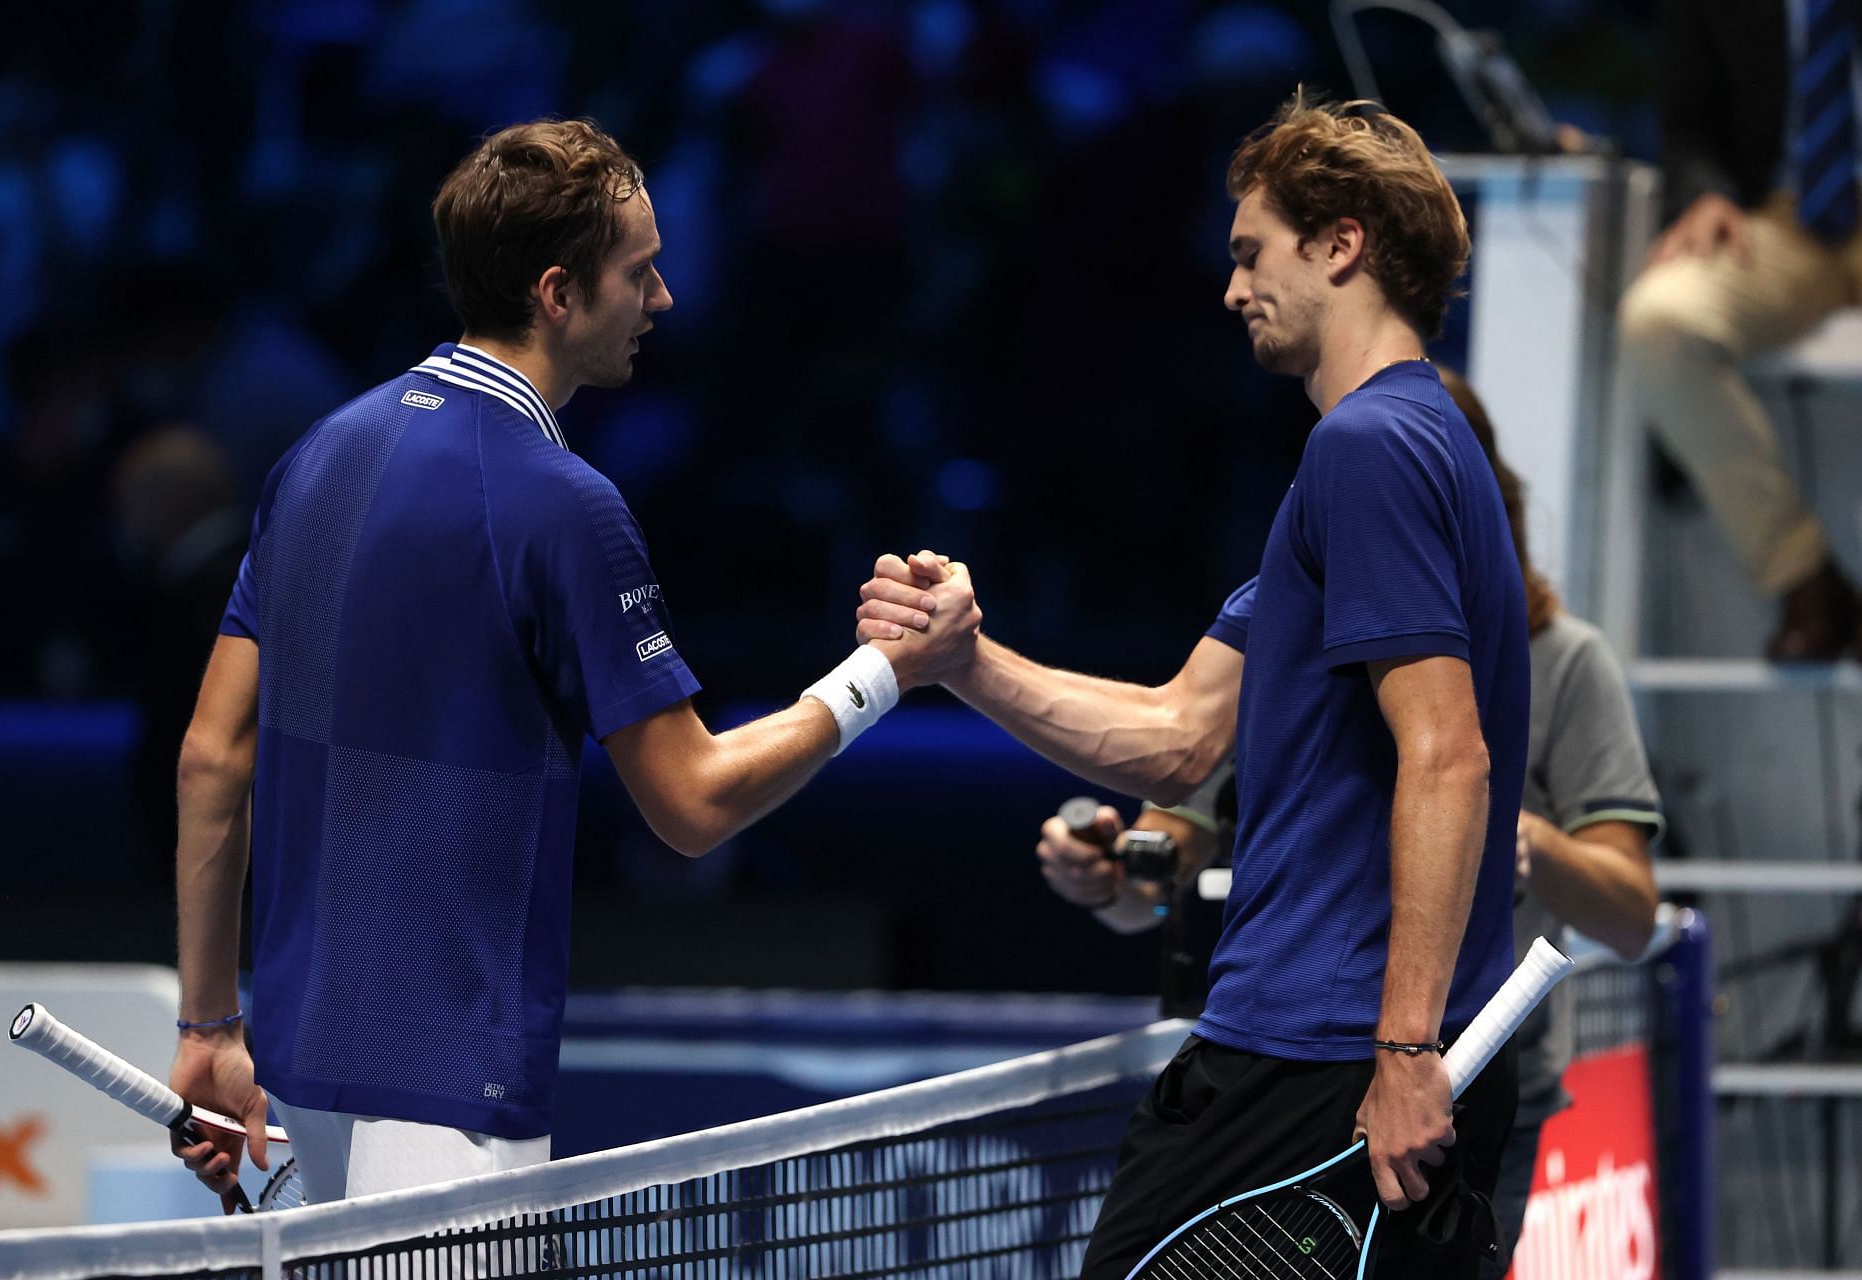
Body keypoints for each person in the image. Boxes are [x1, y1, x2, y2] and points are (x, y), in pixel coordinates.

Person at [167, 118, 980, 1209]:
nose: (664, 299)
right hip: (451, 1088)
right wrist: (885, 671)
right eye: (638, 272)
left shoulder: (317, 456)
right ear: (558, 292)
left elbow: (212, 758)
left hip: (296, 1062)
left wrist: (210, 1023)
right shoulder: (565, 507)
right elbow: (692, 802)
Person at [859, 93, 1529, 1277]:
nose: (1231, 291)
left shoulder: (1367, 450)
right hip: (1340, 1047)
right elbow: (1181, 735)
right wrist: (963, 659)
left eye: (1250, 252)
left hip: (1321, 1055)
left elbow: (1449, 753)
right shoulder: (1402, 451)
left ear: (1341, 243)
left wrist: (1408, 1045)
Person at [1035, 368, 1663, 1271]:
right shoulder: (1298, 644)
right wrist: (1110, 872)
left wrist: (1520, 842)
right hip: (1316, 1079)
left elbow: (1632, 915)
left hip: (1476, 1074)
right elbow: (1165, 852)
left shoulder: (1563, 663)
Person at [1618, 0, 1862, 660]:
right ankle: (1805, 579)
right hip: (1786, 220)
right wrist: (1701, 192)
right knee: (1661, 323)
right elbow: (1691, 121)